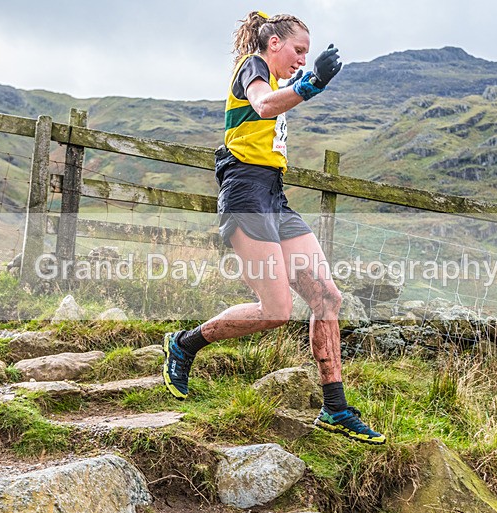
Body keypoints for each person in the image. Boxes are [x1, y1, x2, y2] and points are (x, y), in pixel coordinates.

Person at [162, 11, 385, 445]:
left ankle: (335, 408)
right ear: (274, 43)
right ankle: (185, 344)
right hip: (244, 192)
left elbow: (275, 105)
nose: (303, 59)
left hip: (273, 194)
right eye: (299, 50)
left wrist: (301, 86)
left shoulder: (280, 82)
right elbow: (262, 105)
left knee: (326, 296)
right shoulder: (253, 67)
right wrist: (311, 84)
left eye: (307, 54)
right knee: (276, 310)